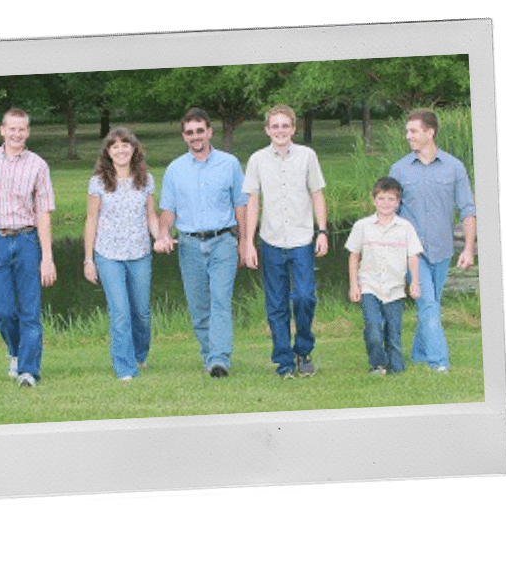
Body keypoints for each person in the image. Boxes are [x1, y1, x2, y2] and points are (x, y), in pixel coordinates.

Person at [0, 108, 57, 388]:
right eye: (12, 129)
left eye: (23, 129)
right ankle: (15, 352)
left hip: (28, 241)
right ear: (2, 130)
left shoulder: (38, 165)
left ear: (28, 132)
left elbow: (43, 213)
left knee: (30, 310)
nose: (17, 134)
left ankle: (29, 370)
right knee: (2, 310)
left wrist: (47, 257)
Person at [154, 108, 248, 378]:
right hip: (189, 245)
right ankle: (209, 355)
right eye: (189, 132)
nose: (196, 137)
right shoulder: (175, 169)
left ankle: (219, 359)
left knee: (220, 301)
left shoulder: (229, 164)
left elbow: (241, 205)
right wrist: (163, 233)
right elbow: (168, 209)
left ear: (209, 132)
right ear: (184, 136)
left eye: (200, 131)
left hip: (223, 242)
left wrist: (244, 242)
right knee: (199, 307)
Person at [242, 105, 329, 378]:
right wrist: (248, 242)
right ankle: (285, 362)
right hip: (271, 240)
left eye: (285, 126)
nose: (280, 130)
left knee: (304, 296)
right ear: (267, 130)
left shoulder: (307, 156)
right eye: (275, 126)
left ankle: (303, 350)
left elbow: (317, 194)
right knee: (276, 303)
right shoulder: (257, 160)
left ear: (293, 128)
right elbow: (253, 201)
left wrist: (322, 231)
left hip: (302, 239)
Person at [389, 108, 476, 373]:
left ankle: (418, 353)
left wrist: (469, 249)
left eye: (413, 131)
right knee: (427, 302)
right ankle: (440, 362)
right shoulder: (399, 169)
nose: (408, 136)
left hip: (442, 249)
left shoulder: (454, 167)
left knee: (430, 304)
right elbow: (388, 210)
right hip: (411, 253)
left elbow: (468, 210)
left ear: (430, 132)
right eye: (407, 131)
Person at [83, 127, 160, 381]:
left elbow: (151, 216)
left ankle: (140, 355)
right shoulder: (98, 182)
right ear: (108, 152)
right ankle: (125, 368)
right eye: (115, 146)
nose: (120, 149)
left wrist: (160, 236)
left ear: (134, 149)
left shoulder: (145, 179)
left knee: (141, 313)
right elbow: (91, 220)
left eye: (125, 144)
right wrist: (88, 259)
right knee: (120, 312)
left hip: (139, 253)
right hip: (108, 255)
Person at [345, 177, 422, 375]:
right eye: (381, 199)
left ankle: (395, 367)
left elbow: (413, 256)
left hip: (395, 288)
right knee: (373, 326)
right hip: (369, 285)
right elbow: (354, 256)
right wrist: (354, 285)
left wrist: (415, 282)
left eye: (390, 199)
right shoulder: (363, 226)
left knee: (393, 332)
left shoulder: (405, 227)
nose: (386, 203)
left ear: (398, 202)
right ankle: (378, 364)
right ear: (374, 200)